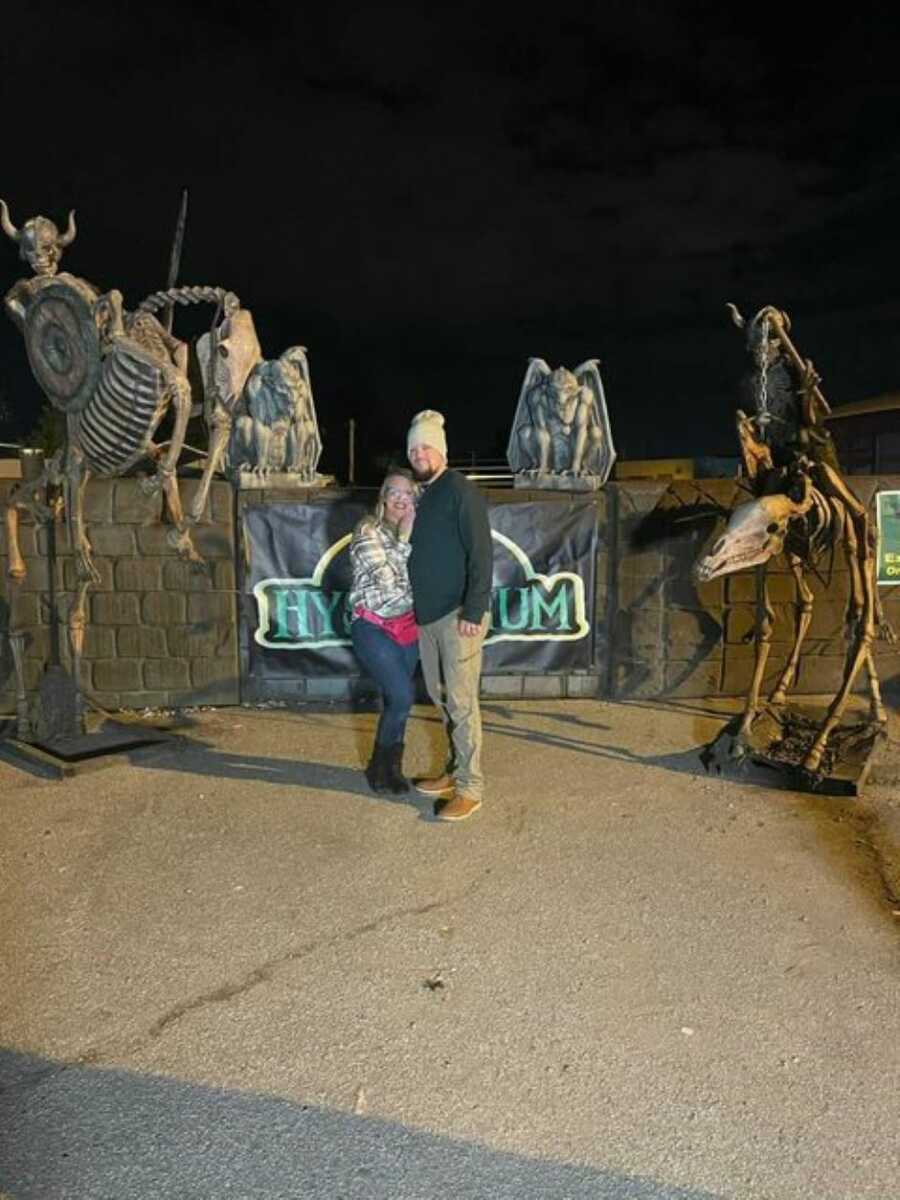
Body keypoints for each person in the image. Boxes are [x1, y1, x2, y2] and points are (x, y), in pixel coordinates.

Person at [406, 409, 493, 821]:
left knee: (461, 703)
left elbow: (481, 554)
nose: (420, 453)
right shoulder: (423, 496)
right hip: (426, 618)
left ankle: (471, 787)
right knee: (442, 701)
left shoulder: (460, 490)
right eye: (414, 448)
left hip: (459, 615)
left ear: (441, 451)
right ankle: (453, 769)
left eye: (426, 446)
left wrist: (474, 609)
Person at [349, 470, 420, 795]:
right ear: (383, 496)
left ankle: (388, 769)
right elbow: (388, 583)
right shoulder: (367, 530)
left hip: (407, 625)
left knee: (398, 702)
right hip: (373, 625)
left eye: (408, 493)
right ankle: (380, 767)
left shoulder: (420, 533)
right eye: (394, 492)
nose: (401, 498)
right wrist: (404, 539)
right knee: (403, 695)